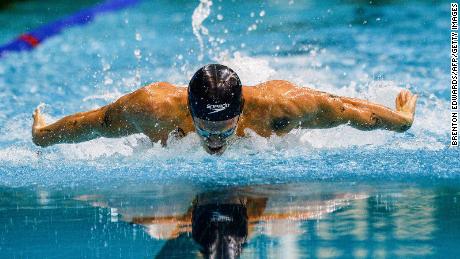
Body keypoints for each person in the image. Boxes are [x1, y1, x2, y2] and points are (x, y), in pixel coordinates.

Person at [32, 64, 418, 155]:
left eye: (224, 127)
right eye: (205, 127)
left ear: (243, 108)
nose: (214, 138)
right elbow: (97, 122)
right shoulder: (152, 108)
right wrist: (44, 135)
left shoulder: (279, 108)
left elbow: (347, 109)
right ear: (187, 107)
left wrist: (399, 121)